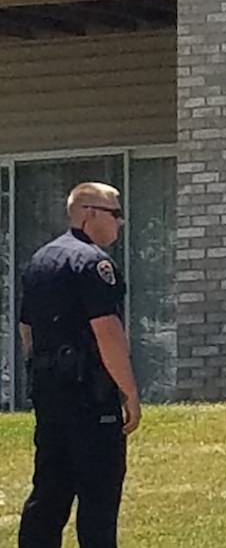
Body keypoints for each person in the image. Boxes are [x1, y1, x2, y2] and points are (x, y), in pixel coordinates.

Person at [16, 182, 140, 548]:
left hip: (51, 396)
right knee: (98, 502)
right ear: (89, 213)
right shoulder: (94, 262)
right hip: (91, 398)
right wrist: (129, 392)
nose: (120, 223)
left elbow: (27, 329)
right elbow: (108, 333)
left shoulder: (40, 261)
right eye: (115, 214)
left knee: (49, 495)